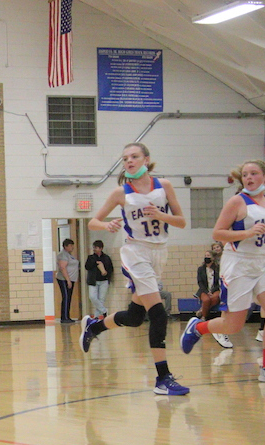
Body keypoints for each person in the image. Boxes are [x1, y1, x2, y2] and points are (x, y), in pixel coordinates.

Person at [79, 142, 189, 395]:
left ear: (146, 160)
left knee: (135, 317)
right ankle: (163, 378)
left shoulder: (164, 186)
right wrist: (106, 226)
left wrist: (162, 216)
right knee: (158, 314)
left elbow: (181, 222)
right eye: (125, 158)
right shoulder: (121, 193)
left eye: (134, 156)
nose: (129, 161)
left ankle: (94, 327)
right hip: (135, 252)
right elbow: (93, 222)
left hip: (159, 251)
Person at [180, 160, 265, 383]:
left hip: (263, 262)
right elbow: (218, 233)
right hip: (239, 263)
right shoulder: (237, 201)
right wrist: (247, 233)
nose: (249, 177)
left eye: (254, 173)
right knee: (233, 324)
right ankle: (198, 327)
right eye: (245, 174)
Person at [195, 250, 233, 348]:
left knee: (215, 298)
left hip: (215, 289)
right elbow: (200, 282)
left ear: (212, 257)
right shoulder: (201, 269)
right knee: (206, 300)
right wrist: (206, 291)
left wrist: (212, 291)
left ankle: (202, 310)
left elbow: (219, 282)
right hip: (204, 290)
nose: (206, 257)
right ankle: (204, 318)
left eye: (208, 255)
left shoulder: (217, 268)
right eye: (205, 255)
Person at [85, 240, 113, 320]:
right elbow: (87, 267)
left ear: (101, 248)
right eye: (93, 247)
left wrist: (106, 273)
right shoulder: (91, 257)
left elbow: (110, 268)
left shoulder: (106, 258)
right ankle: (104, 311)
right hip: (93, 281)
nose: (94, 249)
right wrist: (95, 263)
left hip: (104, 281)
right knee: (92, 297)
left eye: (96, 248)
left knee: (101, 299)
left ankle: (96, 316)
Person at [56, 238, 80, 324]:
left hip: (70, 279)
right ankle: (64, 317)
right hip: (64, 279)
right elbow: (63, 267)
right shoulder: (63, 255)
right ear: (65, 246)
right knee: (66, 297)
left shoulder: (69, 255)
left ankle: (67, 316)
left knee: (68, 297)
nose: (72, 247)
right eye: (70, 245)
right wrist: (68, 280)